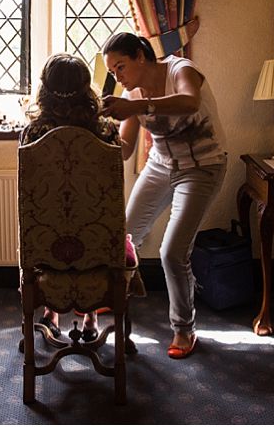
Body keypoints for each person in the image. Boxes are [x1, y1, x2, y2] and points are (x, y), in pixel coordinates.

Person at [101, 32, 227, 359]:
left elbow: (190, 101)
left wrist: (137, 105)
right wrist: (98, 130)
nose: (118, 76)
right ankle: (119, 293)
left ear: (141, 56)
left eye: (121, 66)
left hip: (202, 167)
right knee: (124, 236)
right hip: (160, 165)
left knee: (172, 251)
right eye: (112, 72)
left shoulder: (180, 69)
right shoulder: (131, 95)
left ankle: (184, 328)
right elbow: (125, 150)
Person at [20, 53, 121, 342]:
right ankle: (91, 317)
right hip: (97, 243)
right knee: (93, 222)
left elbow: (30, 195)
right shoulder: (105, 131)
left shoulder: (33, 133)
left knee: (50, 221)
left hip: (46, 244)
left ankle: (50, 313)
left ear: (45, 89)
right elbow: (112, 193)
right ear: (87, 88)